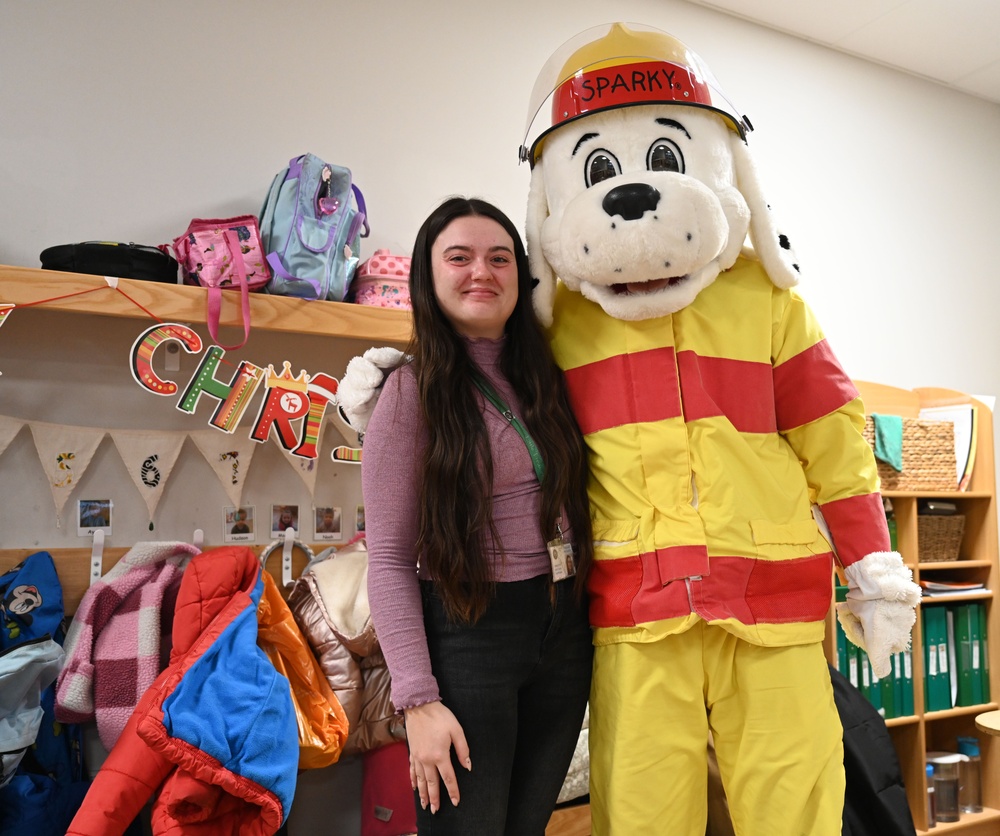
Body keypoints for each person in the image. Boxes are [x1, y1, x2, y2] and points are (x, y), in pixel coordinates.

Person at [361, 196, 594, 836]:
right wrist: (418, 700)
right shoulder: (411, 391)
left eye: (499, 258)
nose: (480, 273)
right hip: (470, 630)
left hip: (564, 628)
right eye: (458, 258)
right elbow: (385, 559)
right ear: (428, 278)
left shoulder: (548, 376)